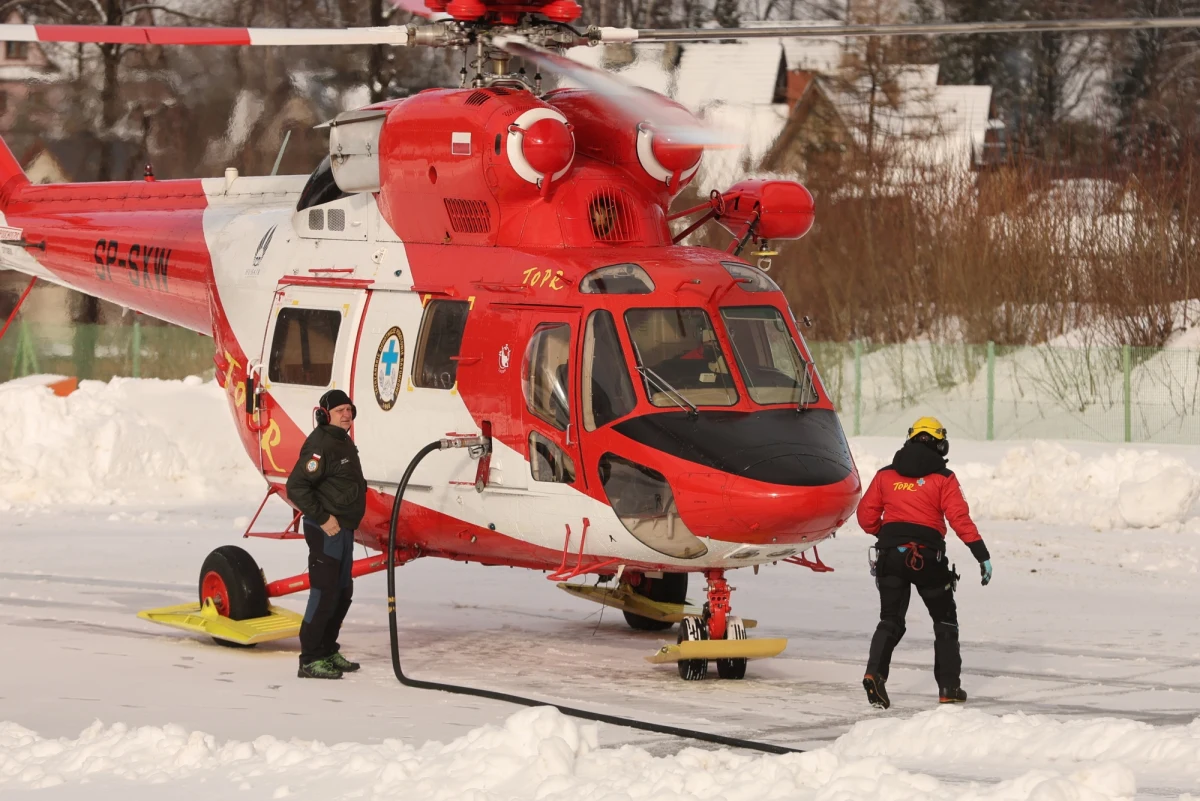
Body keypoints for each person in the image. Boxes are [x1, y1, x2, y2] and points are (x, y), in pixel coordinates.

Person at [856, 416, 993, 709]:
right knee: (945, 622)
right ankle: (949, 688)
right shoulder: (944, 478)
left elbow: (866, 516)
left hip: (889, 557)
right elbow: (959, 519)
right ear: (940, 443)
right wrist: (981, 555)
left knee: (890, 620)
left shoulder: (885, 475)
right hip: (928, 559)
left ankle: (874, 673)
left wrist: (890, 535)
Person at [285, 389, 368, 680]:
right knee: (324, 592)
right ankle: (309, 659)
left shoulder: (341, 440)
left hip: (343, 528)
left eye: (349, 409)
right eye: (339, 410)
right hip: (326, 530)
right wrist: (322, 517)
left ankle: (327, 650)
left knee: (343, 592)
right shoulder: (319, 444)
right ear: (324, 414)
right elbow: (296, 486)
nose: (346, 415)